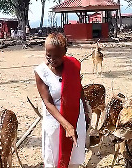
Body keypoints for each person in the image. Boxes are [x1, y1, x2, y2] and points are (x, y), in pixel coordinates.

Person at [34, 33, 89, 168]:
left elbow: (78, 87)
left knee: (73, 160)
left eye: (57, 56)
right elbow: (48, 103)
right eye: (48, 55)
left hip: (76, 118)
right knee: (53, 160)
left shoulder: (73, 65)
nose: (52, 59)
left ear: (65, 52)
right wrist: (67, 126)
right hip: (55, 121)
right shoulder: (41, 72)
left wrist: (86, 109)